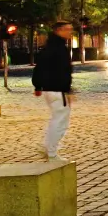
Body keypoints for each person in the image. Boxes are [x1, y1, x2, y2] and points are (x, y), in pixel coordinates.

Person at [32, 21, 74, 160]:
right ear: (59, 30)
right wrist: (67, 90)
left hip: (49, 89)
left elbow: (39, 67)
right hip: (58, 89)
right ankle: (51, 151)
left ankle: (49, 147)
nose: (70, 32)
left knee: (57, 118)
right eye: (67, 29)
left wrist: (38, 86)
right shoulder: (60, 48)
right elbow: (64, 71)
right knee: (60, 120)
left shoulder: (49, 46)